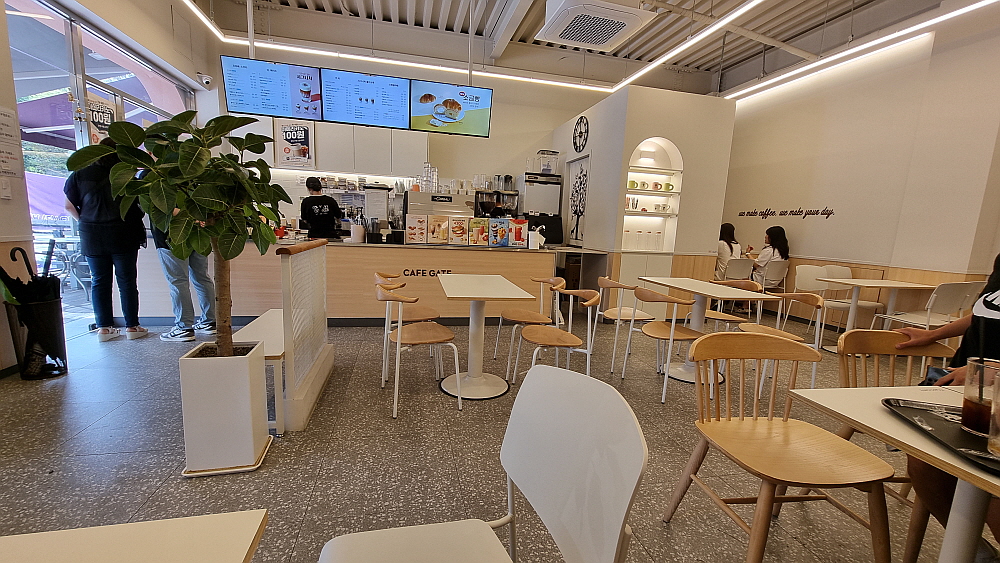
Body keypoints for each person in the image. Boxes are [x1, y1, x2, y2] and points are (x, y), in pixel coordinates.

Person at [895, 252, 1000, 560]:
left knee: (992, 500)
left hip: (991, 395)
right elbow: (984, 312)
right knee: (924, 464)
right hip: (968, 394)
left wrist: (992, 371)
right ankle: (977, 553)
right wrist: (933, 334)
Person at [63, 138, 148, 341]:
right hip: (123, 233)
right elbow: (140, 205)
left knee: (99, 281)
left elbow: (68, 205)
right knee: (127, 281)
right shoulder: (126, 174)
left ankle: (104, 328)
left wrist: (85, 221)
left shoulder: (80, 174)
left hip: (93, 235)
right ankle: (132, 327)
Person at [151, 225, 217, 342]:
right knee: (202, 278)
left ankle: (184, 327)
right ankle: (209, 321)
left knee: (178, 282)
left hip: (171, 235)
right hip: (198, 233)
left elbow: (163, 214)